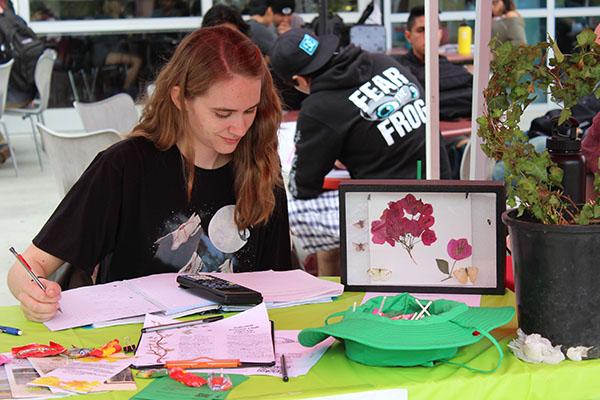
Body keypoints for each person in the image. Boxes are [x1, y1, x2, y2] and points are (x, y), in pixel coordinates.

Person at [7, 26, 293, 322]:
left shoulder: (261, 164)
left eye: (250, 111)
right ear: (179, 98)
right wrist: (34, 295)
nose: (240, 127)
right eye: (223, 114)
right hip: (137, 347)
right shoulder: (125, 166)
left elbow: (281, 284)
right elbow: (26, 268)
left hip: (239, 344)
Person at [270, 28, 451, 260]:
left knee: (285, 211)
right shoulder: (384, 62)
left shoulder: (320, 107)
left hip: (398, 212)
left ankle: (316, 285)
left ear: (297, 80)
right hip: (444, 186)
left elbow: (302, 185)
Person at [396, 6, 473, 121]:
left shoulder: (454, 70)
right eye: (421, 30)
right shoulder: (397, 69)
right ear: (408, 36)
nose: (427, 36)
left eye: (432, 29)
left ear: (440, 34)